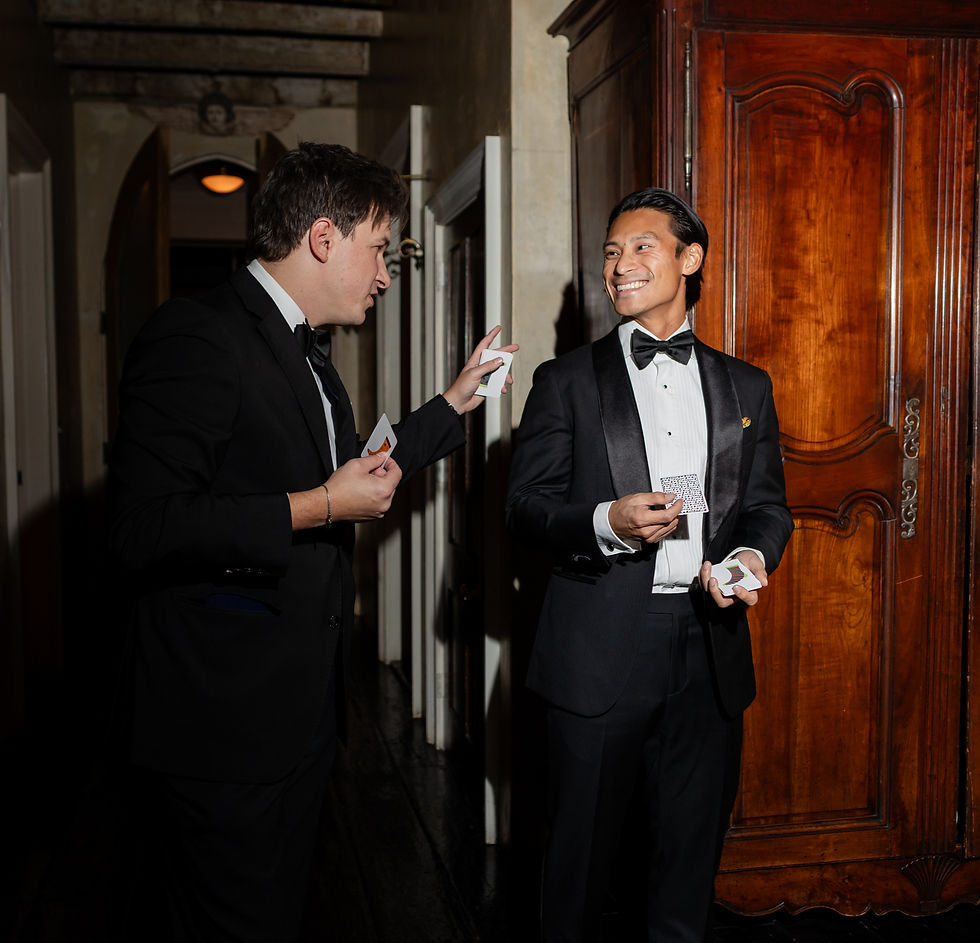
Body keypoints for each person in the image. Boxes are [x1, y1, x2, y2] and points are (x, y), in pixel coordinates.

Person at [108, 141, 516, 942]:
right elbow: (142, 529)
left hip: (296, 717)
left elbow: (357, 472)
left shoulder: (311, 354)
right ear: (324, 238)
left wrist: (453, 404)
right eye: (378, 249)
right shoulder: (197, 336)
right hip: (221, 728)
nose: (386, 274)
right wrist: (318, 506)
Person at [506, 187, 793, 942]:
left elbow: (767, 508)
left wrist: (744, 557)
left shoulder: (747, 386)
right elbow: (524, 508)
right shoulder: (565, 380)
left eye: (641, 247)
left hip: (709, 647)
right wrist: (605, 520)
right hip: (599, 649)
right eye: (610, 251)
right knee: (577, 871)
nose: (620, 265)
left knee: (686, 869)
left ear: (689, 258)